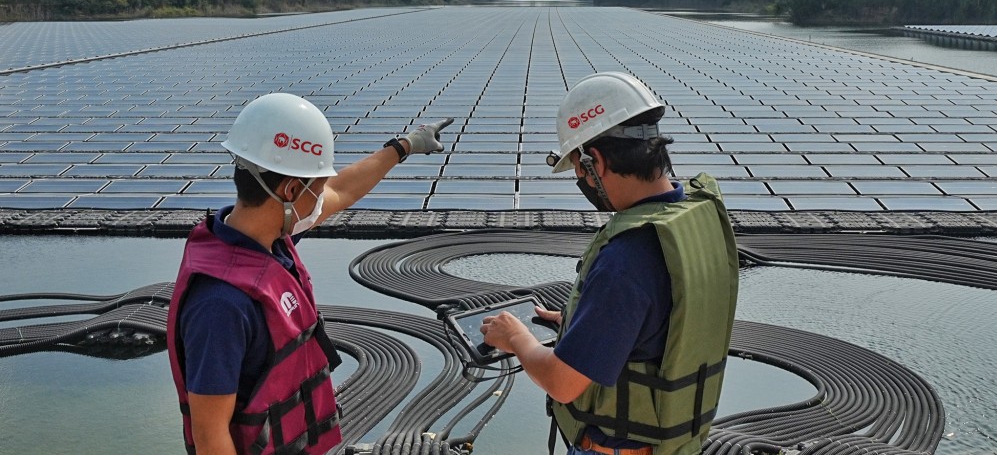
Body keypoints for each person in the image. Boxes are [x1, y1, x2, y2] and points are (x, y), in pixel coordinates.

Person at [167, 92, 452, 455]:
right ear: (289, 190)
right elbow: (211, 436)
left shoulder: (269, 238)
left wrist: (405, 146)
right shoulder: (221, 304)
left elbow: (342, 189)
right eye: (315, 188)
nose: (322, 197)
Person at [481, 72, 739, 455]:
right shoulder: (693, 220)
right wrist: (581, 323)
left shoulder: (627, 258)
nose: (581, 181)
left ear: (595, 160)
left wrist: (516, 339)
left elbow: (563, 383)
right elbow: (663, 323)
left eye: (579, 168)